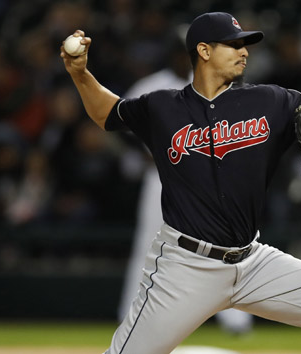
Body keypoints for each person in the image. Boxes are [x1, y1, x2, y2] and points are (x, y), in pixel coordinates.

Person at [61, 12, 301, 354]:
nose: (244, 51)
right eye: (234, 44)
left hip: (253, 262)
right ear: (204, 51)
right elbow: (107, 112)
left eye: (245, 44)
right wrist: (80, 73)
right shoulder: (162, 106)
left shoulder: (268, 100)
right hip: (185, 267)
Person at [117, 36, 254, 335]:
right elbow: (121, 127)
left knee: (226, 245)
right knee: (148, 245)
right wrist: (148, 150)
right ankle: (132, 313)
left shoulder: (222, 86)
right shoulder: (152, 86)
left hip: (211, 180)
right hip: (163, 178)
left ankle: (236, 319)